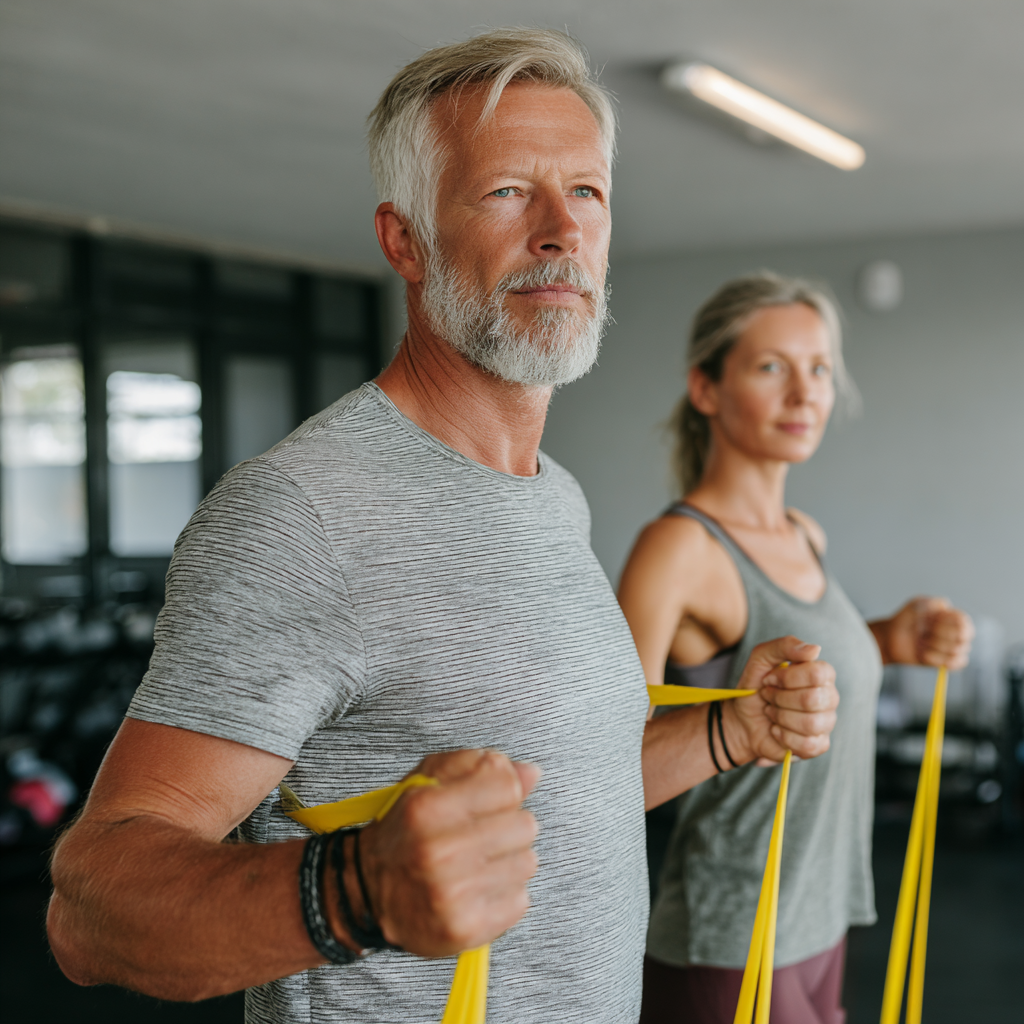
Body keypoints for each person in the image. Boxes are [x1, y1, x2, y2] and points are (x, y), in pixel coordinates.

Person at [46, 34, 840, 1024]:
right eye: (506, 191)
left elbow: (561, 796)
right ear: (404, 241)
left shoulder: (552, 493)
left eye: (586, 193)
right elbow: (89, 908)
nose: (559, 230)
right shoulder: (304, 512)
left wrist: (729, 729)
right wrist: (351, 891)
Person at [617, 272, 975, 1024]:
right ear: (706, 389)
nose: (805, 393)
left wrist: (890, 639)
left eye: (818, 369)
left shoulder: (803, 534)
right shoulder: (678, 548)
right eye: (770, 367)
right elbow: (605, 772)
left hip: (819, 914)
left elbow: (784, 672)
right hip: (732, 929)